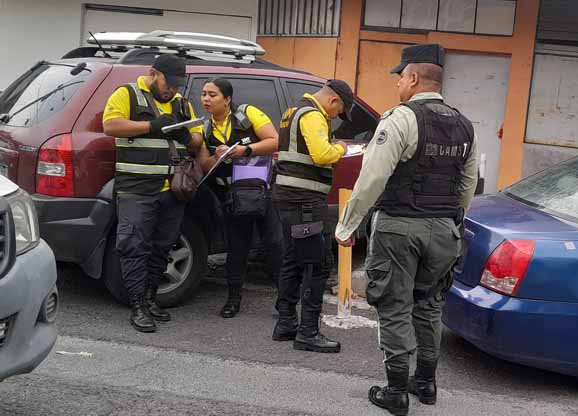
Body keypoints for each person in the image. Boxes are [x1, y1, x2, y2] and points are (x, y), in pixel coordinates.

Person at [334, 44, 478, 416]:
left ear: (413, 78)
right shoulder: (465, 125)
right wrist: (452, 222)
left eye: (401, 77)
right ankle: (426, 383)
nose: (398, 84)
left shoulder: (401, 118)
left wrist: (347, 225)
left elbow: (373, 177)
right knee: (429, 304)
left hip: (400, 227)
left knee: (395, 306)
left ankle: (396, 391)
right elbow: (467, 184)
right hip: (445, 230)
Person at [102, 54, 204, 333]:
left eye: (176, 85)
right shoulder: (127, 94)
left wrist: (186, 137)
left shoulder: (182, 103)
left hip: (172, 190)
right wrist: (151, 126)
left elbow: (197, 138)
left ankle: (150, 298)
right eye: (168, 83)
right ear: (153, 73)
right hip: (137, 189)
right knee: (134, 246)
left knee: (163, 245)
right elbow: (110, 125)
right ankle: (137, 305)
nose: (172, 89)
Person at [271, 80, 355, 353]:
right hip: (304, 202)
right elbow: (321, 154)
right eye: (338, 112)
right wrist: (340, 148)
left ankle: (285, 324)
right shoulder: (312, 115)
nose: (335, 117)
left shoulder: (292, 112)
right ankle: (308, 332)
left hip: (287, 199)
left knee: (292, 260)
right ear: (333, 102)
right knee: (318, 265)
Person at [196, 78, 283, 318]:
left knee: (274, 246)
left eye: (212, 95)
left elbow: (275, 141)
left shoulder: (247, 113)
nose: (206, 99)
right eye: (203, 94)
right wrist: (220, 156)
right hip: (231, 198)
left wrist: (243, 151)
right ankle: (233, 299)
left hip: (260, 191)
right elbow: (204, 164)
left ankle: (285, 300)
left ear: (227, 99)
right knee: (237, 249)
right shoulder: (205, 127)